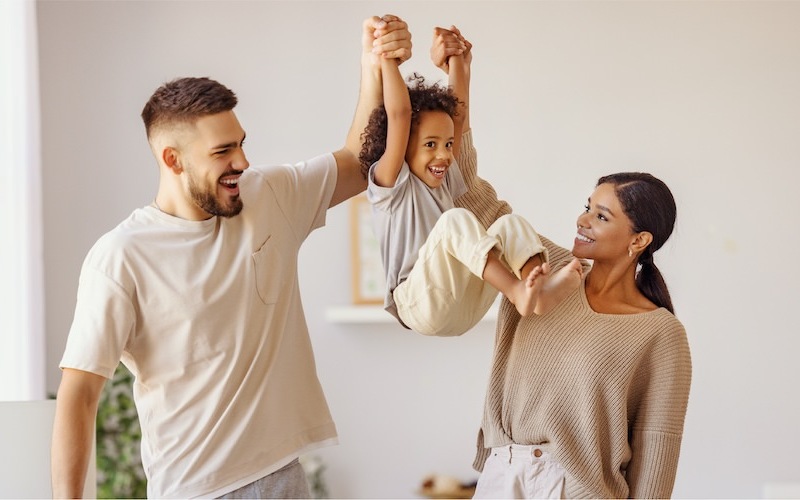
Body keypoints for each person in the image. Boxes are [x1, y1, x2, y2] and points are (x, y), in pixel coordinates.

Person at [50, 15, 411, 499]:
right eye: (223, 151)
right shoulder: (121, 258)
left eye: (242, 144)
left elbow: (359, 160)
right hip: (194, 490)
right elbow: (79, 395)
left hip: (285, 479)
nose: (241, 161)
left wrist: (373, 66)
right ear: (173, 160)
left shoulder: (269, 196)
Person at [429, 27, 692, 498]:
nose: (582, 219)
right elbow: (467, 188)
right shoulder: (539, 267)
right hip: (501, 476)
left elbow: (656, 450)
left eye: (601, 214)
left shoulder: (659, 333)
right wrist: (458, 76)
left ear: (639, 240)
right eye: (586, 206)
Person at [359, 26, 583, 337]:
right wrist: (388, 59)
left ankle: (537, 291)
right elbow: (399, 114)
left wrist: (459, 64)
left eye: (448, 145)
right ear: (401, 147)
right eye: (430, 145)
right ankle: (518, 292)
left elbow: (459, 117)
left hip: (460, 307)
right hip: (417, 303)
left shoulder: (445, 180)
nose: (444, 155)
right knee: (456, 220)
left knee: (509, 224)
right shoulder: (391, 187)